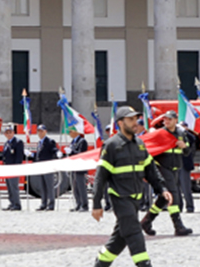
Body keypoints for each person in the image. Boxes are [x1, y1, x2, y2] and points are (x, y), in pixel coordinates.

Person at [91, 107, 169, 267]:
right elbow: (100, 177)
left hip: (135, 200)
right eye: (131, 120)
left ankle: (100, 264)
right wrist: (96, 204)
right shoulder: (111, 145)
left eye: (136, 119)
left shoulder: (140, 144)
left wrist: (162, 189)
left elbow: (151, 170)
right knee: (135, 234)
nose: (135, 123)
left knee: (119, 239)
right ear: (120, 123)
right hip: (120, 199)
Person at [140, 112, 192, 236]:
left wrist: (184, 146)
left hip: (175, 169)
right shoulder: (160, 133)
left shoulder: (181, 134)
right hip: (162, 168)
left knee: (164, 198)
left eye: (169, 119)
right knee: (173, 195)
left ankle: (146, 221)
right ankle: (178, 226)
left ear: (175, 120)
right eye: (165, 120)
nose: (166, 122)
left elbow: (187, 152)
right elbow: (149, 150)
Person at [31, 125, 59, 211]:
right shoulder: (39, 143)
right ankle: (43, 203)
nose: (40, 133)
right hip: (41, 167)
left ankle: (51, 204)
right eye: (38, 131)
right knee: (42, 186)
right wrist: (32, 155)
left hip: (48, 166)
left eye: (41, 131)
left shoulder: (50, 141)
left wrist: (58, 152)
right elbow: (39, 156)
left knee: (49, 186)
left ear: (45, 131)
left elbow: (54, 149)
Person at [0, 124, 25, 211]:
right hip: (7, 168)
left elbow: (19, 156)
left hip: (14, 168)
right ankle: (12, 203)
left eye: (10, 132)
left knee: (14, 187)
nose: (8, 134)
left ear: (13, 133)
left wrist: (16, 168)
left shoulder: (18, 142)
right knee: (9, 187)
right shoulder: (6, 143)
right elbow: (5, 156)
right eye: (7, 133)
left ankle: (17, 204)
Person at [67, 126, 90, 212]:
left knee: (81, 187)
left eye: (71, 131)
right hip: (73, 167)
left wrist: (71, 152)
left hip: (80, 167)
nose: (69, 133)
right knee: (75, 188)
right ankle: (78, 204)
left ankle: (84, 205)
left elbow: (81, 154)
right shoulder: (73, 141)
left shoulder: (82, 141)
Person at [180, 123, 199, 213]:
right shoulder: (176, 134)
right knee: (176, 188)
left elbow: (193, 139)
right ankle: (178, 207)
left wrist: (184, 131)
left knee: (186, 187)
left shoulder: (188, 136)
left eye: (183, 126)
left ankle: (190, 206)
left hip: (184, 165)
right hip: (175, 164)